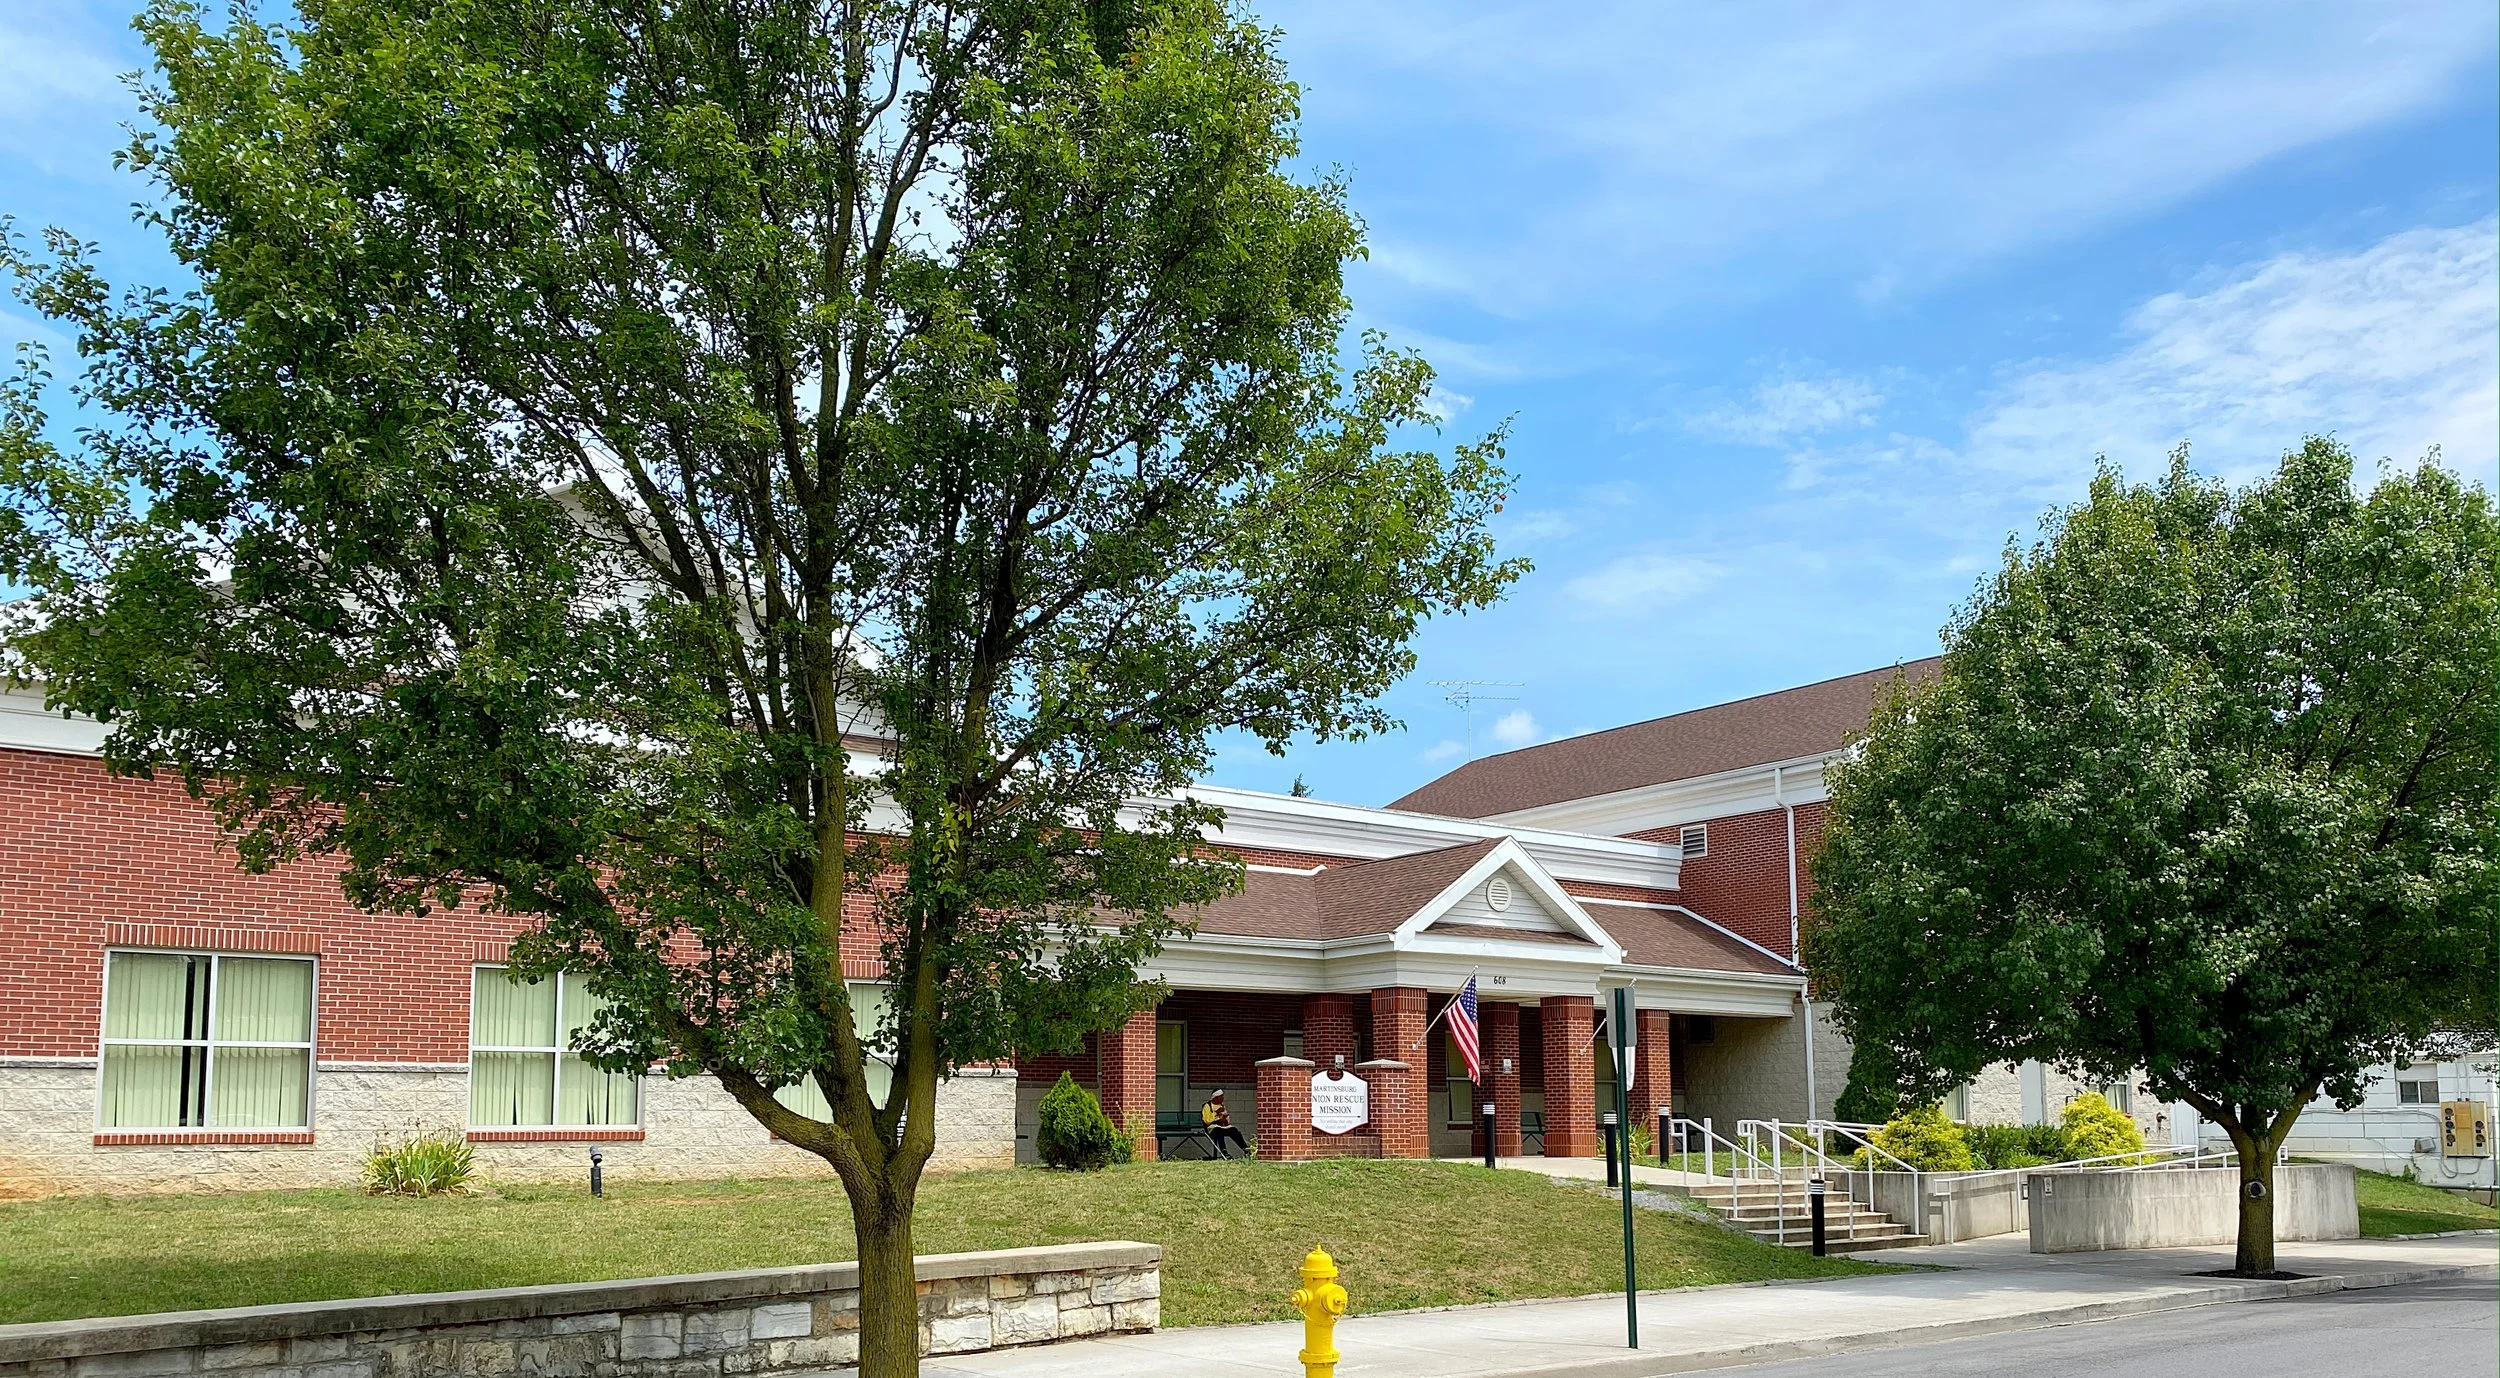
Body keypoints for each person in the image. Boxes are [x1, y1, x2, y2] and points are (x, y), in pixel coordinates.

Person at [1201, 1089, 1250, 1158]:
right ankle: (1224, 1152)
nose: (1223, 1098)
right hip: (1212, 1128)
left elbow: (1227, 1119)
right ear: (1216, 1097)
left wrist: (1225, 1119)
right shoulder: (1207, 1106)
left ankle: (1246, 1149)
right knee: (1219, 1131)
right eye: (1221, 1096)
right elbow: (1207, 1120)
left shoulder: (1222, 1106)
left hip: (1222, 1126)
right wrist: (1217, 1115)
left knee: (1234, 1130)